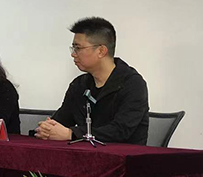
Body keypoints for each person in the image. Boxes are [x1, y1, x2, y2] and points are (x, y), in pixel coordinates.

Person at [36, 17, 149, 145]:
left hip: (124, 155)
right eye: (73, 48)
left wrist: (71, 134)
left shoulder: (133, 84)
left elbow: (120, 130)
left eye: (78, 48)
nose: (73, 54)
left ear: (101, 51)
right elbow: (62, 120)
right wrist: (47, 129)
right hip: (85, 154)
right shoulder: (79, 85)